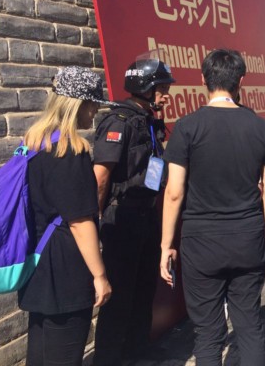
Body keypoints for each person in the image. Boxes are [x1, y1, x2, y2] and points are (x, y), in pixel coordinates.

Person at [161, 49, 265, 366]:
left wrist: (166, 245)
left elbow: (174, 192)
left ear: (203, 80)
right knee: (249, 326)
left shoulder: (186, 127)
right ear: (241, 81)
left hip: (201, 243)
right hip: (247, 239)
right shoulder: (260, 127)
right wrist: (255, 224)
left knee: (208, 333)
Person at [19, 66, 112, 366]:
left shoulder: (34, 142)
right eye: (93, 103)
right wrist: (100, 276)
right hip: (66, 271)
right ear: (78, 104)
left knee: (40, 354)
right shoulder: (70, 151)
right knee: (64, 356)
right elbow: (80, 222)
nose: (95, 110)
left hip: (38, 261)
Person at [93, 58, 175, 365]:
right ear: (146, 88)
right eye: (162, 89)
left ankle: (138, 353)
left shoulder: (148, 121)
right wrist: (95, 220)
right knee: (119, 299)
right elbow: (101, 177)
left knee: (143, 290)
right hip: (122, 218)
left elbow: (152, 170)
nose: (166, 95)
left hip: (145, 216)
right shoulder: (119, 122)